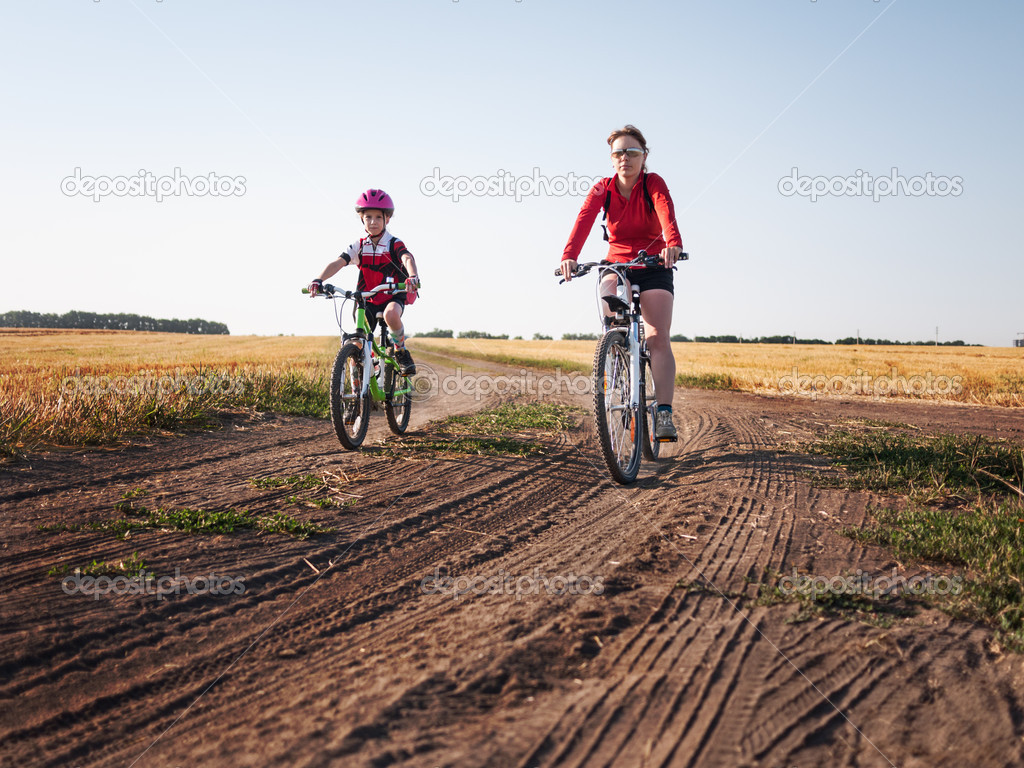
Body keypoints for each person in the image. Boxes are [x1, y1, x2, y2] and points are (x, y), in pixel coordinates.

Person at [559, 125, 684, 441]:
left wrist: (673, 243)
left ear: (644, 156)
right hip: (619, 264)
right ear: (611, 158)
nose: (624, 157)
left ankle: (665, 413)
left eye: (632, 151)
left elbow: (665, 210)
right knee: (609, 289)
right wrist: (569, 256)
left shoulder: (652, 183)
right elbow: (583, 220)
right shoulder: (603, 188)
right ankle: (615, 347)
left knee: (657, 337)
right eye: (618, 152)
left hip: (655, 263)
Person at [309, 189, 421, 376]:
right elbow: (338, 262)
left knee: (391, 314)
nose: (373, 222)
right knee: (357, 341)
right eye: (368, 217)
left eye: (378, 217)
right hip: (367, 298)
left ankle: (400, 350)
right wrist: (318, 280)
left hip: (393, 294)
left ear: (387, 219)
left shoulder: (393, 243)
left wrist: (413, 276)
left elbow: (407, 258)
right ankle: (359, 384)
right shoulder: (359, 245)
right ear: (362, 219)